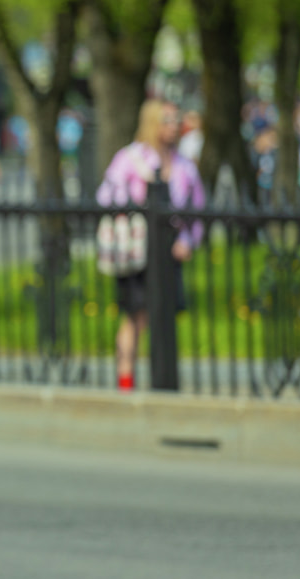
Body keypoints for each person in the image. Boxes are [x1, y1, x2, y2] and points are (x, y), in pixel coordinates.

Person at [96, 99, 206, 392]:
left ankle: (163, 380)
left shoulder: (184, 165)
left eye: (176, 120)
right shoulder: (130, 159)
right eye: (167, 120)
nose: (174, 126)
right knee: (136, 317)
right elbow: (106, 197)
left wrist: (186, 240)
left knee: (164, 316)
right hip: (137, 250)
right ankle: (126, 382)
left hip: (170, 252)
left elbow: (197, 211)